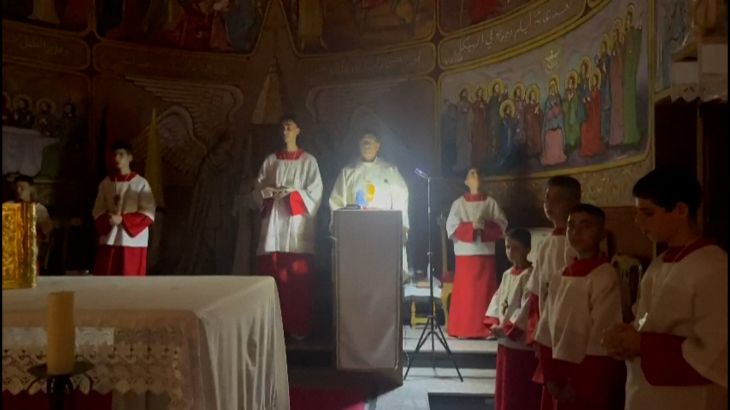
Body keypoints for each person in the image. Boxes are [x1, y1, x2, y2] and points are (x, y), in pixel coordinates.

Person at [602, 167, 727, 410]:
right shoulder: (661, 262)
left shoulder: (714, 267)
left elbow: (717, 352)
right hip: (647, 392)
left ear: (680, 210)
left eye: (648, 213)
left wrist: (642, 344)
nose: (638, 222)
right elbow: (647, 318)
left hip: (688, 398)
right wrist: (627, 333)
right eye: (637, 213)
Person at [534, 204, 626, 410]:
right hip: (558, 373)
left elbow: (601, 336)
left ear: (601, 233)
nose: (576, 232)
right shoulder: (559, 276)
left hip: (588, 377)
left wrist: (577, 384)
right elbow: (546, 329)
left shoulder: (605, 275)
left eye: (585, 226)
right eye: (571, 226)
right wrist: (551, 378)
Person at [255, 115, 323, 340]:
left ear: (297, 130)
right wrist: (268, 193)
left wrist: (292, 194)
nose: (285, 131)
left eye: (289, 127)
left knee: (297, 282)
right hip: (274, 226)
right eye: (282, 127)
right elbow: (258, 190)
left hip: (297, 227)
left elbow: (315, 194)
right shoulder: (271, 160)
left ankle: (297, 326)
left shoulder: (309, 161)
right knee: (272, 277)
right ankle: (272, 329)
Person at [329, 131, 410, 273]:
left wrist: (400, 226)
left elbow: (401, 198)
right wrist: (339, 227)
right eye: (364, 142)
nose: (367, 146)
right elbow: (336, 201)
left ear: (378, 146)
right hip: (356, 232)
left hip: (383, 232)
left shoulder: (390, 171)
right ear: (359, 145)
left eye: (370, 142)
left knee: (383, 273)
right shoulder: (348, 172)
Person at [445, 167, 508, 339]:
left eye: (479, 173)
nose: (476, 176)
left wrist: (485, 226)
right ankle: (464, 329)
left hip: (485, 253)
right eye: (472, 174)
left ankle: (486, 328)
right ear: (466, 181)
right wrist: (471, 227)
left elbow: (502, 224)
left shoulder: (490, 202)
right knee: (467, 294)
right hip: (465, 254)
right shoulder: (458, 204)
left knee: (484, 292)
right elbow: (451, 227)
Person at [484, 228, 542, 410]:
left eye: (515, 247)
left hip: (519, 344)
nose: (510, 252)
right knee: (504, 387)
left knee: (518, 390)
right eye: (507, 247)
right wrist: (494, 321)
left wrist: (507, 328)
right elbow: (498, 299)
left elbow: (528, 307)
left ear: (527, 249)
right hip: (504, 342)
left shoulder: (531, 275)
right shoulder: (507, 274)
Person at [524, 175, 581, 344]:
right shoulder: (546, 243)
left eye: (557, 200)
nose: (549, 204)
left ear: (575, 203)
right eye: (547, 199)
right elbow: (537, 287)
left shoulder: (578, 242)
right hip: (546, 316)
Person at [92, 140, 156, 276]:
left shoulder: (140, 183)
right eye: (115, 155)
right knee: (106, 278)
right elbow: (98, 210)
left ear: (130, 158)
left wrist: (122, 219)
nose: (116, 158)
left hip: (131, 241)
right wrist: (107, 219)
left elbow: (148, 213)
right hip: (110, 238)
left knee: (129, 278)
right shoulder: (106, 183)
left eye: (121, 154)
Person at [4, 175, 54, 270]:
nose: (18, 191)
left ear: (31, 189)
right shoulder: (7, 206)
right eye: (16, 187)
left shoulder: (39, 209)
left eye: (22, 188)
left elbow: (47, 233)